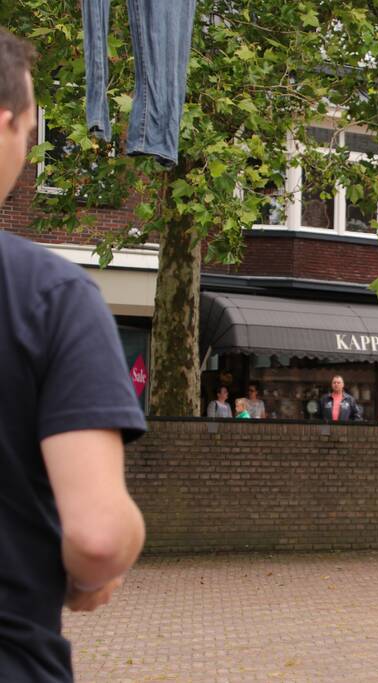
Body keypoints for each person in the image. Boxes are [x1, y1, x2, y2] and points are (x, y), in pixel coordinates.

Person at [0, 28, 147, 681]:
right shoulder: (48, 294)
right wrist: (94, 571)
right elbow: (97, 536)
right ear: (7, 124)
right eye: (33, 132)